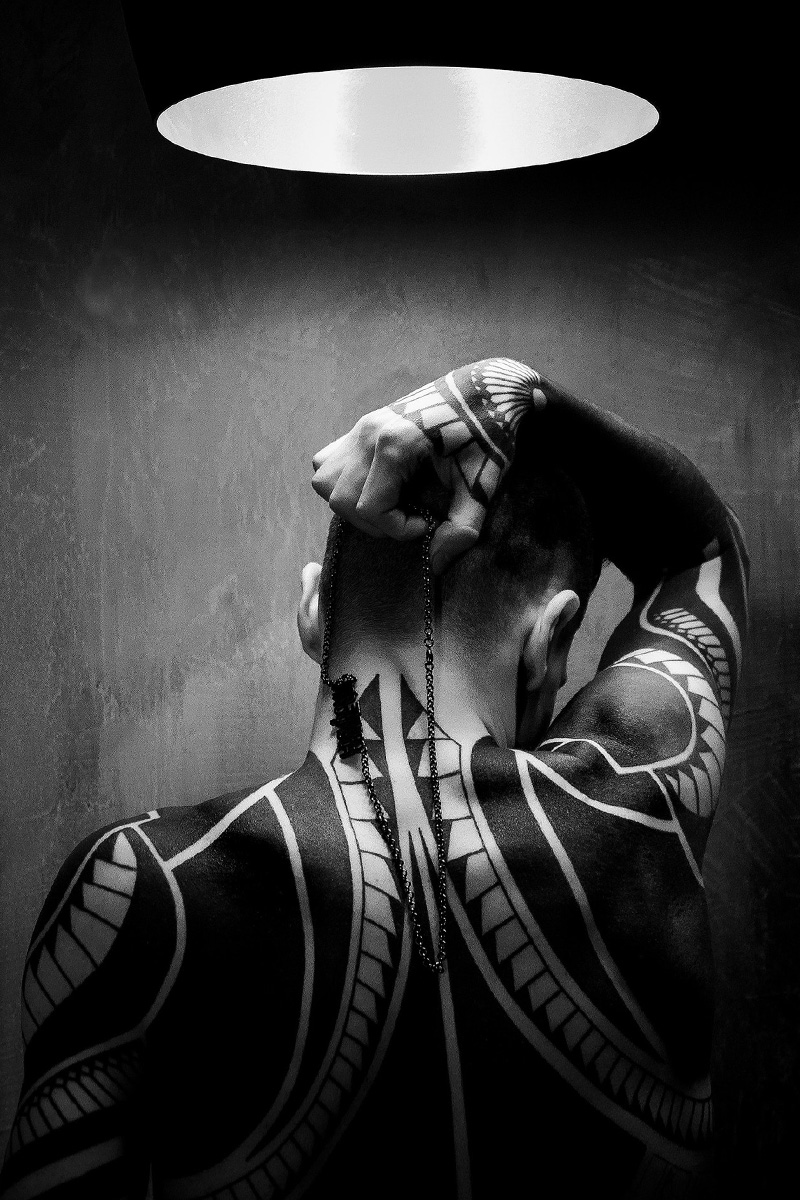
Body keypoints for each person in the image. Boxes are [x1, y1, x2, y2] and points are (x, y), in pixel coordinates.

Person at [0, 358, 749, 1200]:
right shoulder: (635, 814)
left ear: (316, 610)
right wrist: (506, 390)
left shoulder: (141, 888)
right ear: (553, 638)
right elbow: (701, 548)